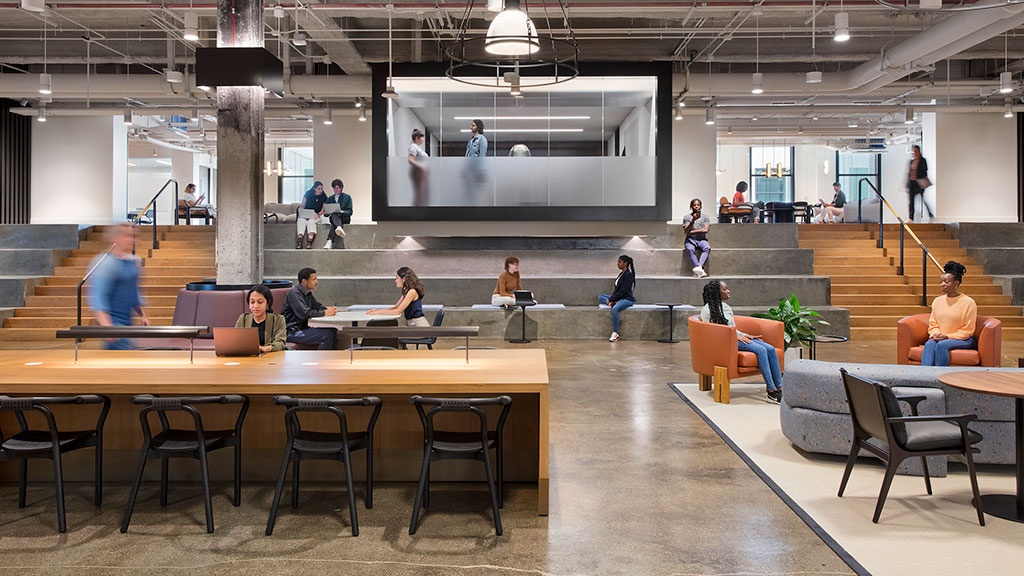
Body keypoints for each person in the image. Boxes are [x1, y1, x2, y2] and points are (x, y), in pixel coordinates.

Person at [701, 279, 783, 403]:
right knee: (760, 350)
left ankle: (780, 388)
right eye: (725, 289)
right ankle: (772, 391)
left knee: (770, 349)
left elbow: (733, 327)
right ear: (717, 293)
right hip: (726, 342)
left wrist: (745, 335)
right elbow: (715, 332)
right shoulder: (707, 311)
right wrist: (735, 336)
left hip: (735, 337)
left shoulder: (726, 307)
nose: (729, 291)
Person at [87, 224, 149, 350]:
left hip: (128, 324)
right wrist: (107, 327)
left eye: (134, 236)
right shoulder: (105, 263)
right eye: (127, 235)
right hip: (114, 324)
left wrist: (142, 314)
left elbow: (134, 293)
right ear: (115, 238)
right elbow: (98, 298)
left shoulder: (135, 261)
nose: (132, 239)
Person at [922, 261, 977, 367]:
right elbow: (933, 324)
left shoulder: (968, 302)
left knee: (942, 345)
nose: (943, 284)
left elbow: (968, 330)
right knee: (929, 344)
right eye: (941, 282)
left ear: (956, 283)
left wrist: (947, 336)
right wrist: (936, 334)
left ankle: (939, 379)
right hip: (941, 337)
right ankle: (924, 377)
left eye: (946, 282)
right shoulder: (937, 301)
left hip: (963, 339)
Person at [282, 267, 338, 350]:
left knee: (334, 331)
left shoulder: (308, 293)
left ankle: (330, 358)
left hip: (302, 329)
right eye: (314, 279)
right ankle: (322, 361)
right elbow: (304, 313)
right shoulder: (294, 293)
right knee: (327, 335)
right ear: (304, 281)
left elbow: (318, 306)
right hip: (291, 332)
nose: (316, 282)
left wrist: (329, 310)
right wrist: (325, 313)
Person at [235, 285, 287, 353]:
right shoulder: (243, 319)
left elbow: (280, 342)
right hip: (248, 357)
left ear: (267, 303)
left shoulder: (278, 320)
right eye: (252, 302)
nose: (255, 306)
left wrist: (266, 348)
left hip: (270, 358)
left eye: (260, 302)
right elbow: (236, 341)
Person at [598, 255, 636, 342]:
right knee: (601, 296)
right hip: (618, 298)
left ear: (625, 263)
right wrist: (611, 298)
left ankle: (615, 333)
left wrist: (611, 299)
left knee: (615, 309)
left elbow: (623, 291)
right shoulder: (621, 274)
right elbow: (617, 290)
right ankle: (613, 302)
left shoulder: (628, 275)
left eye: (619, 262)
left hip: (626, 299)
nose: (617, 264)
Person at [683, 198, 711, 278]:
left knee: (707, 248)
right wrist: (692, 221)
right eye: (694, 205)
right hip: (690, 240)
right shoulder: (687, 217)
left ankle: (699, 267)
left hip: (702, 239)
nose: (696, 207)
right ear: (691, 207)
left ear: (700, 206)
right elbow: (686, 231)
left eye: (698, 205)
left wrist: (692, 231)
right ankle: (700, 269)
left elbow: (706, 230)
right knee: (690, 249)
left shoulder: (705, 217)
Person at [296, 181, 326, 249]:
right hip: (306, 214)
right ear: (314, 188)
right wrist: (301, 212)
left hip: (316, 216)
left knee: (311, 222)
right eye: (319, 189)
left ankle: (309, 242)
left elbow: (323, 210)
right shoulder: (308, 194)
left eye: (322, 189)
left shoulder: (324, 196)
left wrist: (318, 214)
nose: (321, 190)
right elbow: (302, 205)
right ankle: (300, 241)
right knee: (301, 221)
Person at [907, 145, 934, 223]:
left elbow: (924, 171)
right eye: (913, 152)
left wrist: (923, 181)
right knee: (911, 201)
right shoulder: (911, 161)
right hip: (912, 183)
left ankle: (930, 214)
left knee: (922, 199)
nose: (915, 153)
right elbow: (908, 173)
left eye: (916, 151)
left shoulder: (923, 161)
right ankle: (911, 218)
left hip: (919, 183)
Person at [323, 179, 352, 250]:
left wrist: (341, 211)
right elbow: (325, 214)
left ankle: (329, 241)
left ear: (341, 188)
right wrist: (327, 211)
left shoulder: (347, 197)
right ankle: (339, 227)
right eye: (334, 188)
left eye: (337, 188)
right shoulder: (330, 198)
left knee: (334, 221)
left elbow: (350, 212)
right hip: (334, 218)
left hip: (344, 218)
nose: (335, 190)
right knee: (334, 215)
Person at [408, 128, 430, 206]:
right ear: (417, 138)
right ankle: (416, 211)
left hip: (421, 174)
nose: (423, 139)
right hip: (418, 173)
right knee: (419, 193)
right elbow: (410, 160)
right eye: (422, 137)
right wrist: (422, 167)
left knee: (422, 193)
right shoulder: (413, 147)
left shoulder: (418, 148)